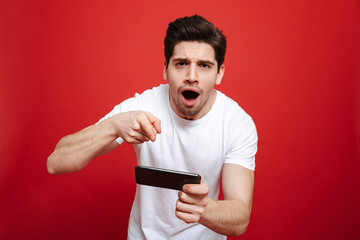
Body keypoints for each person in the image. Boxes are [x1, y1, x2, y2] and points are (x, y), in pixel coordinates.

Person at [47, 15, 258, 239]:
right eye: (181, 63)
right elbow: (56, 162)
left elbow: (240, 218)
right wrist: (113, 126)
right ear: (166, 70)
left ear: (219, 74)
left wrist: (205, 209)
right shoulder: (143, 106)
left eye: (204, 66)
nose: (192, 76)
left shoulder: (236, 123)